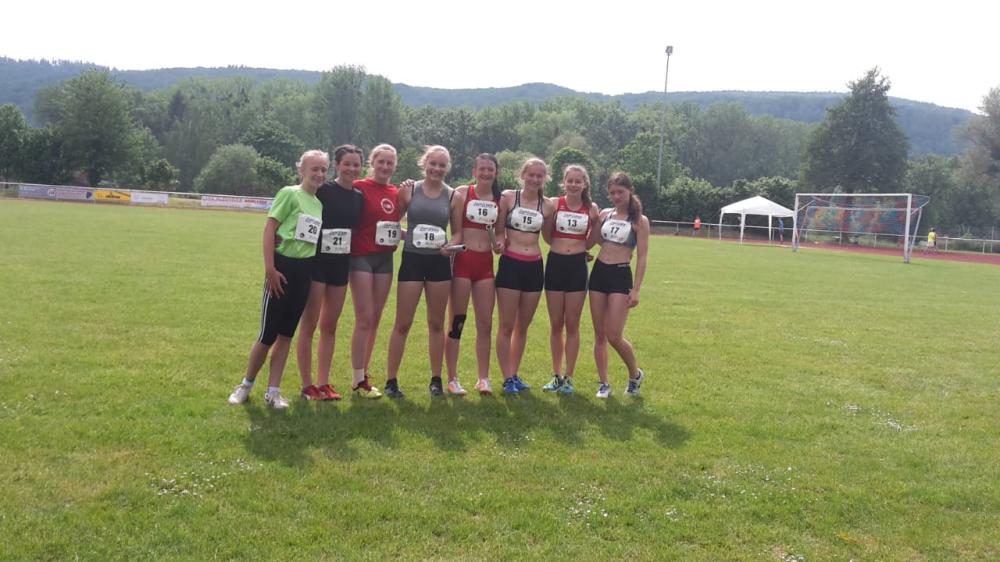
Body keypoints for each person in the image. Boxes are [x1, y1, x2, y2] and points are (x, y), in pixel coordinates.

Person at [228, 150, 328, 409]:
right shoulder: (289, 194)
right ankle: (246, 385)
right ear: (301, 170)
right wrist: (270, 269)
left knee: (286, 334)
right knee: (267, 334)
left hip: (304, 272)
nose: (319, 174)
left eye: (323, 170)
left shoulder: (318, 204)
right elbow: (270, 229)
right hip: (281, 269)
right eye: (314, 168)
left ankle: (273, 392)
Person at [384, 146, 463, 398]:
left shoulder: (453, 196)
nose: (437, 169)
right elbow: (392, 220)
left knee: (436, 323)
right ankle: (391, 381)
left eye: (442, 165)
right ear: (425, 163)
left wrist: (450, 246)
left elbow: (458, 233)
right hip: (413, 260)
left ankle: (436, 380)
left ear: (447, 167)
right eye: (433, 164)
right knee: (403, 323)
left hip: (439, 263)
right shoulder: (409, 189)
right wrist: (405, 233)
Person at [295, 145, 365, 401]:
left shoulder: (358, 197)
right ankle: (307, 385)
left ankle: (323, 383)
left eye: (356, 164)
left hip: (340, 266)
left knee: (330, 326)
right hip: (316, 264)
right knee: (309, 325)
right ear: (337, 166)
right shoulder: (323, 190)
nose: (352, 169)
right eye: (347, 164)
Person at [494, 157, 556, 395]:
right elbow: (499, 230)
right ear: (523, 175)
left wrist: (579, 249)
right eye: (531, 174)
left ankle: (514, 374)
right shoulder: (509, 198)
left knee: (523, 326)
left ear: (545, 179)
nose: (535, 179)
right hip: (511, 264)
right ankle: (506, 378)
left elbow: (549, 237)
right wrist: (499, 242)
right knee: (506, 325)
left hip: (534, 267)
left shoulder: (548, 206)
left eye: (540, 176)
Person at [586, 171, 650, 399]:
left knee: (614, 335)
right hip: (599, 273)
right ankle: (604, 383)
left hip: (621, 275)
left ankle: (635, 374)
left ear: (630, 191)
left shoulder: (639, 221)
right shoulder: (605, 214)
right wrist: (591, 222)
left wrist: (636, 289)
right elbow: (591, 241)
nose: (616, 196)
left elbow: (642, 257)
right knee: (599, 334)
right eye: (612, 192)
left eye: (620, 192)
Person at [347, 144, 402, 399]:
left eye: (390, 163)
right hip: (361, 257)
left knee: (375, 319)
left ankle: (363, 374)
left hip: (385, 260)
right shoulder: (358, 187)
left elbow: (392, 225)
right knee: (364, 318)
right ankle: (358, 379)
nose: (385, 166)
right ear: (372, 162)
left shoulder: (396, 192)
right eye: (381, 161)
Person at [445, 154, 503, 396]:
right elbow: (455, 229)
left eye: (490, 169)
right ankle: (452, 378)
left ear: (496, 173)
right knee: (457, 322)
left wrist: (499, 244)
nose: (486, 173)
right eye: (482, 169)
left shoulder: (500, 199)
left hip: (485, 266)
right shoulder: (461, 193)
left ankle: (483, 378)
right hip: (462, 262)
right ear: (474, 171)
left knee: (485, 324)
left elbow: (500, 234)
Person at [541, 164, 599, 396]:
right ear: (563, 182)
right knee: (556, 324)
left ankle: (569, 377)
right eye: (570, 180)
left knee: (572, 323)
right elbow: (547, 235)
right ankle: (556, 375)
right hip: (555, 264)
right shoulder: (554, 204)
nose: (574, 184)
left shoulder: (591, 208)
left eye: (578, 181)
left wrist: (581, 249)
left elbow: (592, 239)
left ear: (585, 184)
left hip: (576, 267)